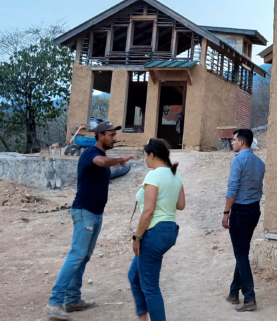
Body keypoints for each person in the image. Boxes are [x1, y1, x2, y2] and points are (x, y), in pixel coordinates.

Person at [45, 122, 131, 320]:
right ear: (100, 136)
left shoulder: (101, 155)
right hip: (85, 212)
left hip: (95, 213)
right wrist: (120, 159)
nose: (114, 138)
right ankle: (54, 302)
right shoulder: (90, 153)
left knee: (83, 256)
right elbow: (100, 162)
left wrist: (116, 163)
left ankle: (73, 300)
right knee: (77, 255)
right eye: (111, 135)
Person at [129, 139, 185, 321]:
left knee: (150, 287)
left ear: (152, 155)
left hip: (153, 232)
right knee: (134, 276)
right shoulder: (176, 175)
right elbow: (181, 205)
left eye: (146, 156)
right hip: (170, 230)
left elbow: (149, 211)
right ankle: (142, 317)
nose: (145, 160)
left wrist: (137, 237)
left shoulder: (153, 175)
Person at [223, 128, 266, 312]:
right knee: (242, 251)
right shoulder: (260, 162)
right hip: (254, 210)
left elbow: (232, 188)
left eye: (234, 140)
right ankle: (234, 292)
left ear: (242, 142)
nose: (232, 143)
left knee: (241, 254)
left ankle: (249, 297)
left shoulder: (238, 160)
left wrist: (226, 212)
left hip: (240, 211)